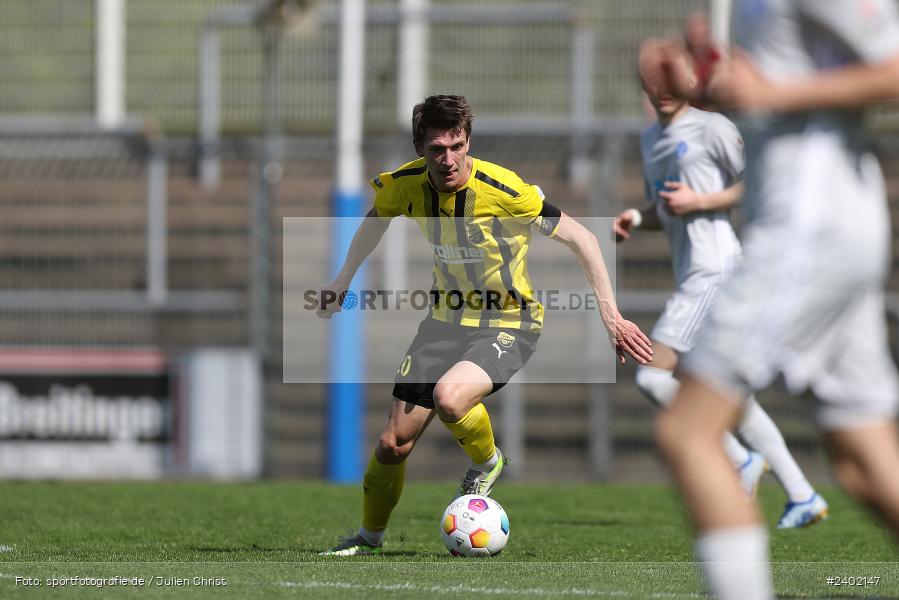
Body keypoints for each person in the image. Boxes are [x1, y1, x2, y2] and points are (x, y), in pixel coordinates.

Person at [318, 94, 652, 556]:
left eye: (457, 146)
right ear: (421, 149)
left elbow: (585, 238)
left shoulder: (505, 189)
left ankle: (487, 462)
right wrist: (342, 279)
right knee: (392, 445)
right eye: (437, 149)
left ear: (468, 141)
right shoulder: (405, 185)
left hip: (509, 322)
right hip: (443, 321)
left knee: (450, 398)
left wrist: (611, 315)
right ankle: (368, 538)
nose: (449, 159)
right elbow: (376, 218)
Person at [653, 1, 899, 598]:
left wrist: (772, 93)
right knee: (863, 462)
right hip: (816, 227)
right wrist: (717, 82)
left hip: (808, 231)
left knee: (688, 433)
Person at [615, 41, 827, 528]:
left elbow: (758, 184)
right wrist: (636, 216)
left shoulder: (713, 127)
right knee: (728, 392)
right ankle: (802, 494)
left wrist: (703, 201)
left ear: (688, 81)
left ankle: (739, 459)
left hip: (717, 269)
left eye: (671, 77)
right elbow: (668, 205)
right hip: (695, 273)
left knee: (652, 375)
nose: (662, 87)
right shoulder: (651, 139)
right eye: (652, 79)